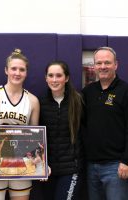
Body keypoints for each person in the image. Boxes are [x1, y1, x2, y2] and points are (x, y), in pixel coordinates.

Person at [0, 48, 40, 200]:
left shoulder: (33, 101)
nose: (17, 73)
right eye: (13, 69)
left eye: (21, 69)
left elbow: (36, 137)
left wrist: (42, 163)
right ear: (6, 70)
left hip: (22, 162)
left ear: (26, 72)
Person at [81, 47, 128, 200]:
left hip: (116, 167)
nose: (103, 67)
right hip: (91, 167)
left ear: (116, 65)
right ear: (94, 66)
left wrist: (127, 160)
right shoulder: (88, 92)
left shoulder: (127, 92)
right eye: (99, 63)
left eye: (107, 63)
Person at [39, 61, 84, 199]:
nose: (54, 80)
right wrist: (42, 165)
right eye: (50, 75)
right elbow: (34, 138)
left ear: (66, 78)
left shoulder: (78, 101)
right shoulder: (39, 103)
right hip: (48, 170)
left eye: (58, 75)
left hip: (71, 169)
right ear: (46, 78)